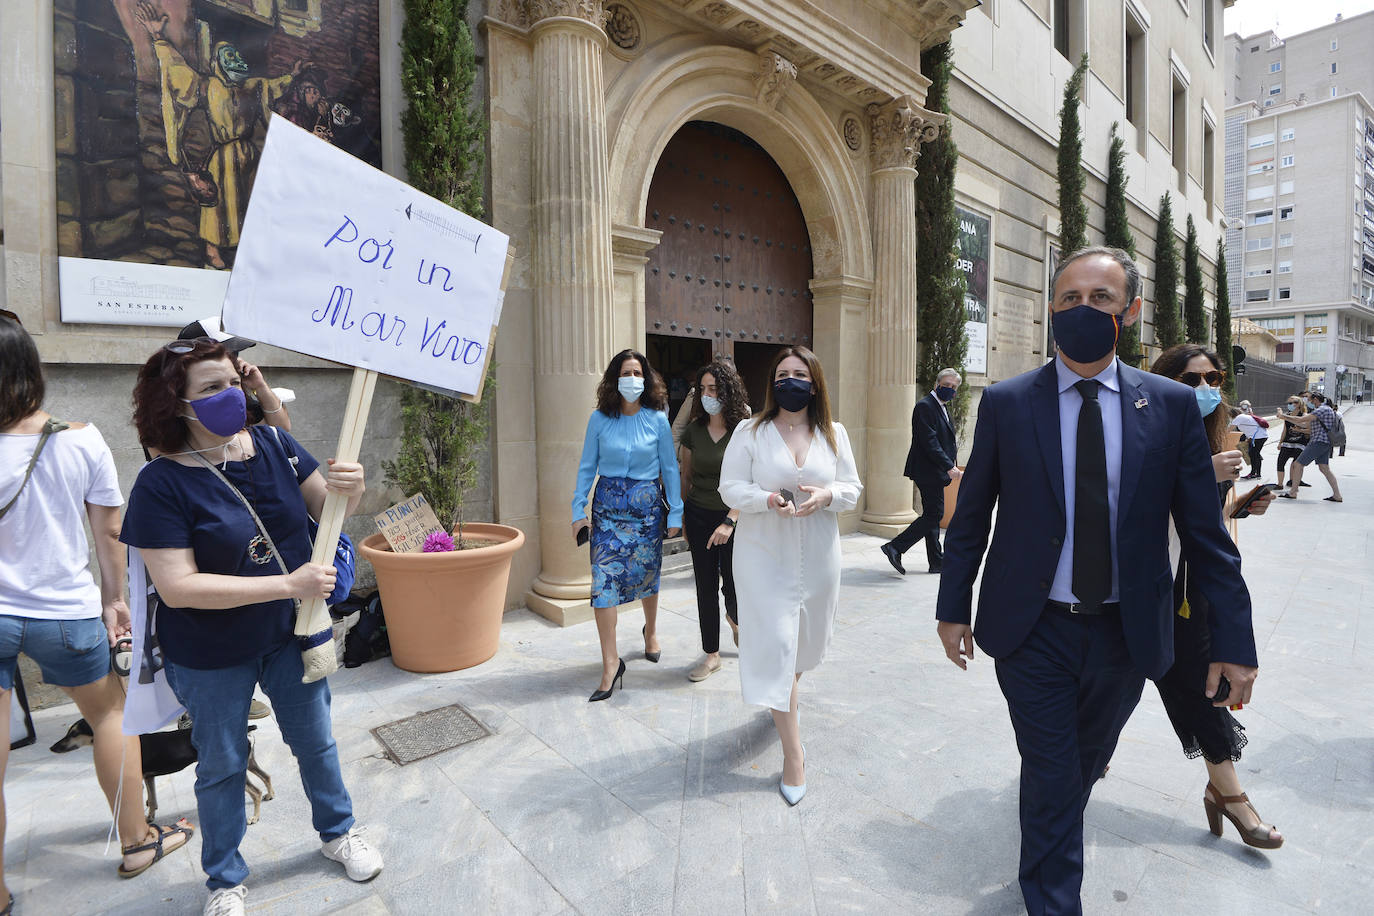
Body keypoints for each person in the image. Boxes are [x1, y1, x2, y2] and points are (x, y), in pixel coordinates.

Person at [935, 247, 1259, 915]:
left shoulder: (1168, 408)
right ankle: (1054, 899)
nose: (1083, 310)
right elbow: (969, 521)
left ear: (1129, 312)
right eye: (1070, 298)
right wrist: (952, 606)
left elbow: (1205, 536)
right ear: (1053, 309)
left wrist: (1235, 640)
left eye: (1101, 299)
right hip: (1031, 629)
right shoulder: (1005, 403)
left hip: (1127, 632)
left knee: (1077, 767)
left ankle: (1047, 844)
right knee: (1054, 771)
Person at [120, 338, 381, 916]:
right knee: (222, 764)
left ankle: (339, 832)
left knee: (316, 743)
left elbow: (329, 506)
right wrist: (287, 585)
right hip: (210, 654)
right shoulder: (161, 484)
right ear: (175, 405)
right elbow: (179, 586)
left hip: (291, 637)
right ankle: (225, 880)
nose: (229, 395)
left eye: (232, 383)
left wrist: (351, 484)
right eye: (209, 388)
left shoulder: (272, 442)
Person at [1, 311, 194, 908]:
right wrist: (117, 602)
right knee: (112, 717)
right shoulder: (79, 439)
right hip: (65, 611)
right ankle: (137, 840)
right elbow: (111, 535)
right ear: (33, 371)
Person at [1147, 345, 1281, 849]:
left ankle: (1229, 794)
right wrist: (1205, 475)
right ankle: (1087, 760)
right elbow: (1136, 505)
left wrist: (1241, 505)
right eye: (1188, 379)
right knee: (1100, 687)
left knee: (1202, 689)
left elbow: (1201, 524)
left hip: (1187, 590)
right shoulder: (1145, 431)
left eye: (1212, 378)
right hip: (1135, 587)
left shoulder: (1214, 436)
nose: (1203, 390)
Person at [719, 347, 863, 806]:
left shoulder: (833, 433)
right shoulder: (751, 431)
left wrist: (829, 495)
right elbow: (730, 486)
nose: (790, 380)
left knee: (803, 646)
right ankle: (793, 754)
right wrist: (765, 500)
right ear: (772, 382)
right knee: (778, 646)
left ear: (815, 381)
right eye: (783, 374)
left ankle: (783, 696)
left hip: (819, 559)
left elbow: (852, 489)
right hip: (764, 558)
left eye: (800, 373)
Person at [571, 349, 684, 702]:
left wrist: (676, 513)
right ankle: (610, 662)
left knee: (647, 574)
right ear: (614, 379)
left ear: (646, 379)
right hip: (607, 508)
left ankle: (650, 631)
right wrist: (578, 509)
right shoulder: (599, 420)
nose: (632, 378)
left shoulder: (658, 420)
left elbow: (670, 468)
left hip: (647, 508)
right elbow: (587, 466)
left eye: (637, 372)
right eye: (625, 372)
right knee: (602, 583)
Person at [678, 362, 748, 682]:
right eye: (703, 389)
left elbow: (750, 480)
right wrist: (683, 512)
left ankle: (735, 620)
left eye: (714, 390)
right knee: (705, 586)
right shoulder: (693, 430)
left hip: (733, 518)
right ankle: (711, 653)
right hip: (699, 514)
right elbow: (687, 475)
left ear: (728, 392)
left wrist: (731, 520)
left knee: (733, 583)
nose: (708, 395)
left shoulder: (743, 430)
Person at [880, 368, 962, 575]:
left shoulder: (941, 407)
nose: (950, 390)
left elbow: (946, 440)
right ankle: (896, 546)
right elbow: (929, 442)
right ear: (937, 384)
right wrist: (949, 466)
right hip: (928, 470)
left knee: (932, 515)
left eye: (953, 387)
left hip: (935, 470)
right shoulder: (925, 406)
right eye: (947, 385)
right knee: (935, 514)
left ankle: (936, 561)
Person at [176, 318, 293, 432]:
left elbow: (281, 429)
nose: (233, 360)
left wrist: (259, 386)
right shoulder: (177, 393)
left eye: (235, 353)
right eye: (226, 354)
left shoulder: (237, 387)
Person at [1276, 392, 1343, 502]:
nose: (1309, 402)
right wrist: (1288, 419)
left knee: (1298, 464)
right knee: (1324, 468)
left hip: (1318, 441)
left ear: (1315, 399)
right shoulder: (1326, 410)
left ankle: (1293, 492)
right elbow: (1304, 424)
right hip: (1325, 443)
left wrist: (1283, 416)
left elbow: (1300, 420)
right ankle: (1337, 495)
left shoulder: (1321, 410)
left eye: (1310, 400)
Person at [1273, 394, 1311, 491]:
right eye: (1289, 402)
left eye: (1294, 402)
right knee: (1280, 462)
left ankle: (1294, 485)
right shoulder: (1287, 415)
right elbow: (1284, 430)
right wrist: (1280, 442)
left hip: (1300, 443)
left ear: (1299, 404)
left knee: (1296, 464)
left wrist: (1285, 417)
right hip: (1287, 443)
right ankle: (1280, 484)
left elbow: (1307, 427)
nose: (1291, 404)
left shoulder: (1304, 415)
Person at [1230, 400, 1268, 480]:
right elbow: (1250, 428)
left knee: (1253, 454)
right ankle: (1257, 474)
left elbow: (1229, 429)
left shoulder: (1238, 417)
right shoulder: (1244, 417)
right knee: (1255, 454)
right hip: (1259, 436)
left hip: (1259, 437)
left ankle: (1253, 473)